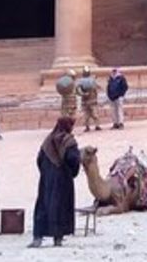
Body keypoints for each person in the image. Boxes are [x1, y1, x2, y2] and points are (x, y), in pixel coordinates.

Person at [31, 117, 80, 248]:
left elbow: (39, 159)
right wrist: (72, 173)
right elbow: (73, 159)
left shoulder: (47, 140)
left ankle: (38, 237)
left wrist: (46, 173)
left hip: (47, 180)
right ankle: (58, 238)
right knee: (60, 207)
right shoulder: (69, 141)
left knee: (43, 205)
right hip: (63, 180)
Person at [77, 66, 100, 132]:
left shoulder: (81, 81)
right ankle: (94, 126)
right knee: (91, 114)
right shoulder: (92, 80)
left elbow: (78, 90)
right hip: (90, 100)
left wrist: (83, 94)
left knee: (89, 114)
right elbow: (96, 89)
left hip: (87, 100)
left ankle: (92, 126)